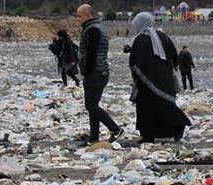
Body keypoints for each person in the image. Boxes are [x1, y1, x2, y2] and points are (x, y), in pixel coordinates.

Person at [129, 12, 190, 143]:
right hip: (165, 79)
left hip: (146, 81)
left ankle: (152, 133)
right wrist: (172, 68)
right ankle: (153, 134)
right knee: (164, 106)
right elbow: (174, 55)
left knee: (148, 107)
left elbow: (134, 61)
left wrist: (136, 77)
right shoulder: (162, 36)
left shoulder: (140, 39)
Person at [76, 4, 124, 145]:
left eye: (80, 16)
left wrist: (86, 71)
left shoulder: (93, 30)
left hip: (96, 73)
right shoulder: (94, 28)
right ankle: (93, 138)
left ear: (88, 15)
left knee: (91, 106)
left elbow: (91, 54)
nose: (78, 19)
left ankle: (115, 129)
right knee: (93, 106)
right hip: (98, 71)